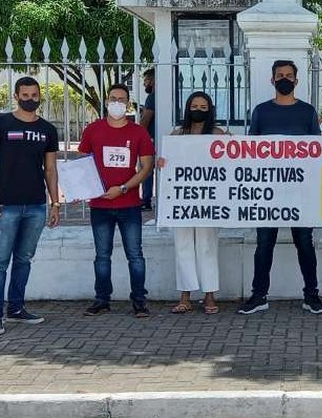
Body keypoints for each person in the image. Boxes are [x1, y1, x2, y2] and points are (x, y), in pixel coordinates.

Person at [237, 60, 322, 315]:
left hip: (300, 191)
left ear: (296, 81)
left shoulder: (307, 112)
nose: (284, 79)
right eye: (280, 75)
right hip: (268, 190)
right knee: (264, 242)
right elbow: (250, 151)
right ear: (272, 80)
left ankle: (312, 296)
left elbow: (318, 152)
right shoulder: (261, 112)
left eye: (289, 75)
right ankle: (258, 295)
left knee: (305, 243)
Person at [0, 77, 60, 336]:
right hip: (5, 206)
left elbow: (50, 169)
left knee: (24, 259)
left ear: (40, 97)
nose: (30, 99)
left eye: (34, 95)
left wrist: (55, 202)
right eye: (25, 95)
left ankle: (16, 308)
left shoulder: (48, 129)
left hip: (36, 206)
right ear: (16, 96)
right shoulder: (0, 124)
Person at [79, 84, 155, 318]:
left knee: (135, 255)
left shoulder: (138, 132)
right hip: (100, 205)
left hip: (129, 205)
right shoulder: (92, 130)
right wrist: (87, 188)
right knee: (102, 255)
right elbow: (83, 164)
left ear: (129, 103)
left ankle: (139, 300)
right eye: (113, 98)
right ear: (106, 100)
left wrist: (122, 188)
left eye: (122, 100)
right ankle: (102, 299)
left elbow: (147, 167)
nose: (117, 103)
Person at [158, 92, 225, 315]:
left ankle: (209, 295)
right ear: (187, 108)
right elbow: (167, 166)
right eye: (194, 105)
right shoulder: (176, 135)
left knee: (207, 246)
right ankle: (185, 296)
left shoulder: (218, 135)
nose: (198, 109)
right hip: (182, 200)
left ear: (210, 109)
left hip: (209, 199)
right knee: (183, 245)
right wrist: (163, 162)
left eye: (203, 106)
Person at [139, 68, 155, 211]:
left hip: (151, 140)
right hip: (160, 138)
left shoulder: (152, 97)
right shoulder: (166, 95)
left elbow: (146, 119)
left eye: (146, 81)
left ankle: (146, 199)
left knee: (147, 170)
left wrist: (138, 135)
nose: (145, 85)